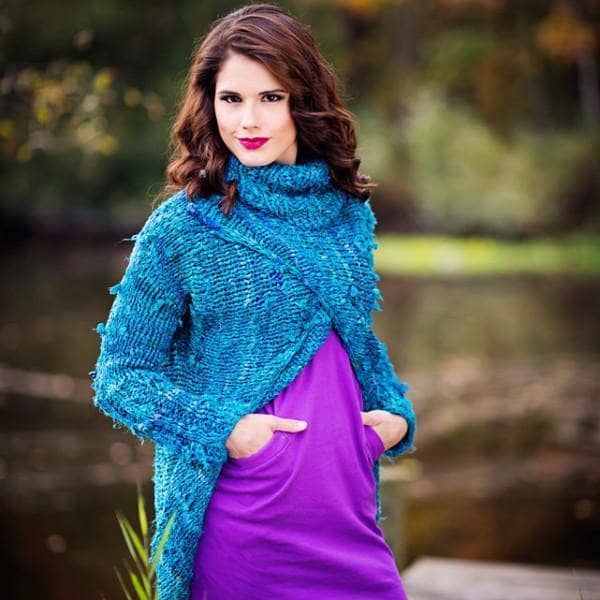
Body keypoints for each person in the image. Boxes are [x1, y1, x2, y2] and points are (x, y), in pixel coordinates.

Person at [90, 4, 417, 599]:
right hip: (244, 513)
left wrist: (393, 418)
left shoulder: (347, 214)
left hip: (346, 512)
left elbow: (355, 340)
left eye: (270, 98)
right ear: (208, 105)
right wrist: (227, 431)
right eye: (230, 99)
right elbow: (120, 377)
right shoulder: (184, 226)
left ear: (304, 101)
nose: (248, 120)